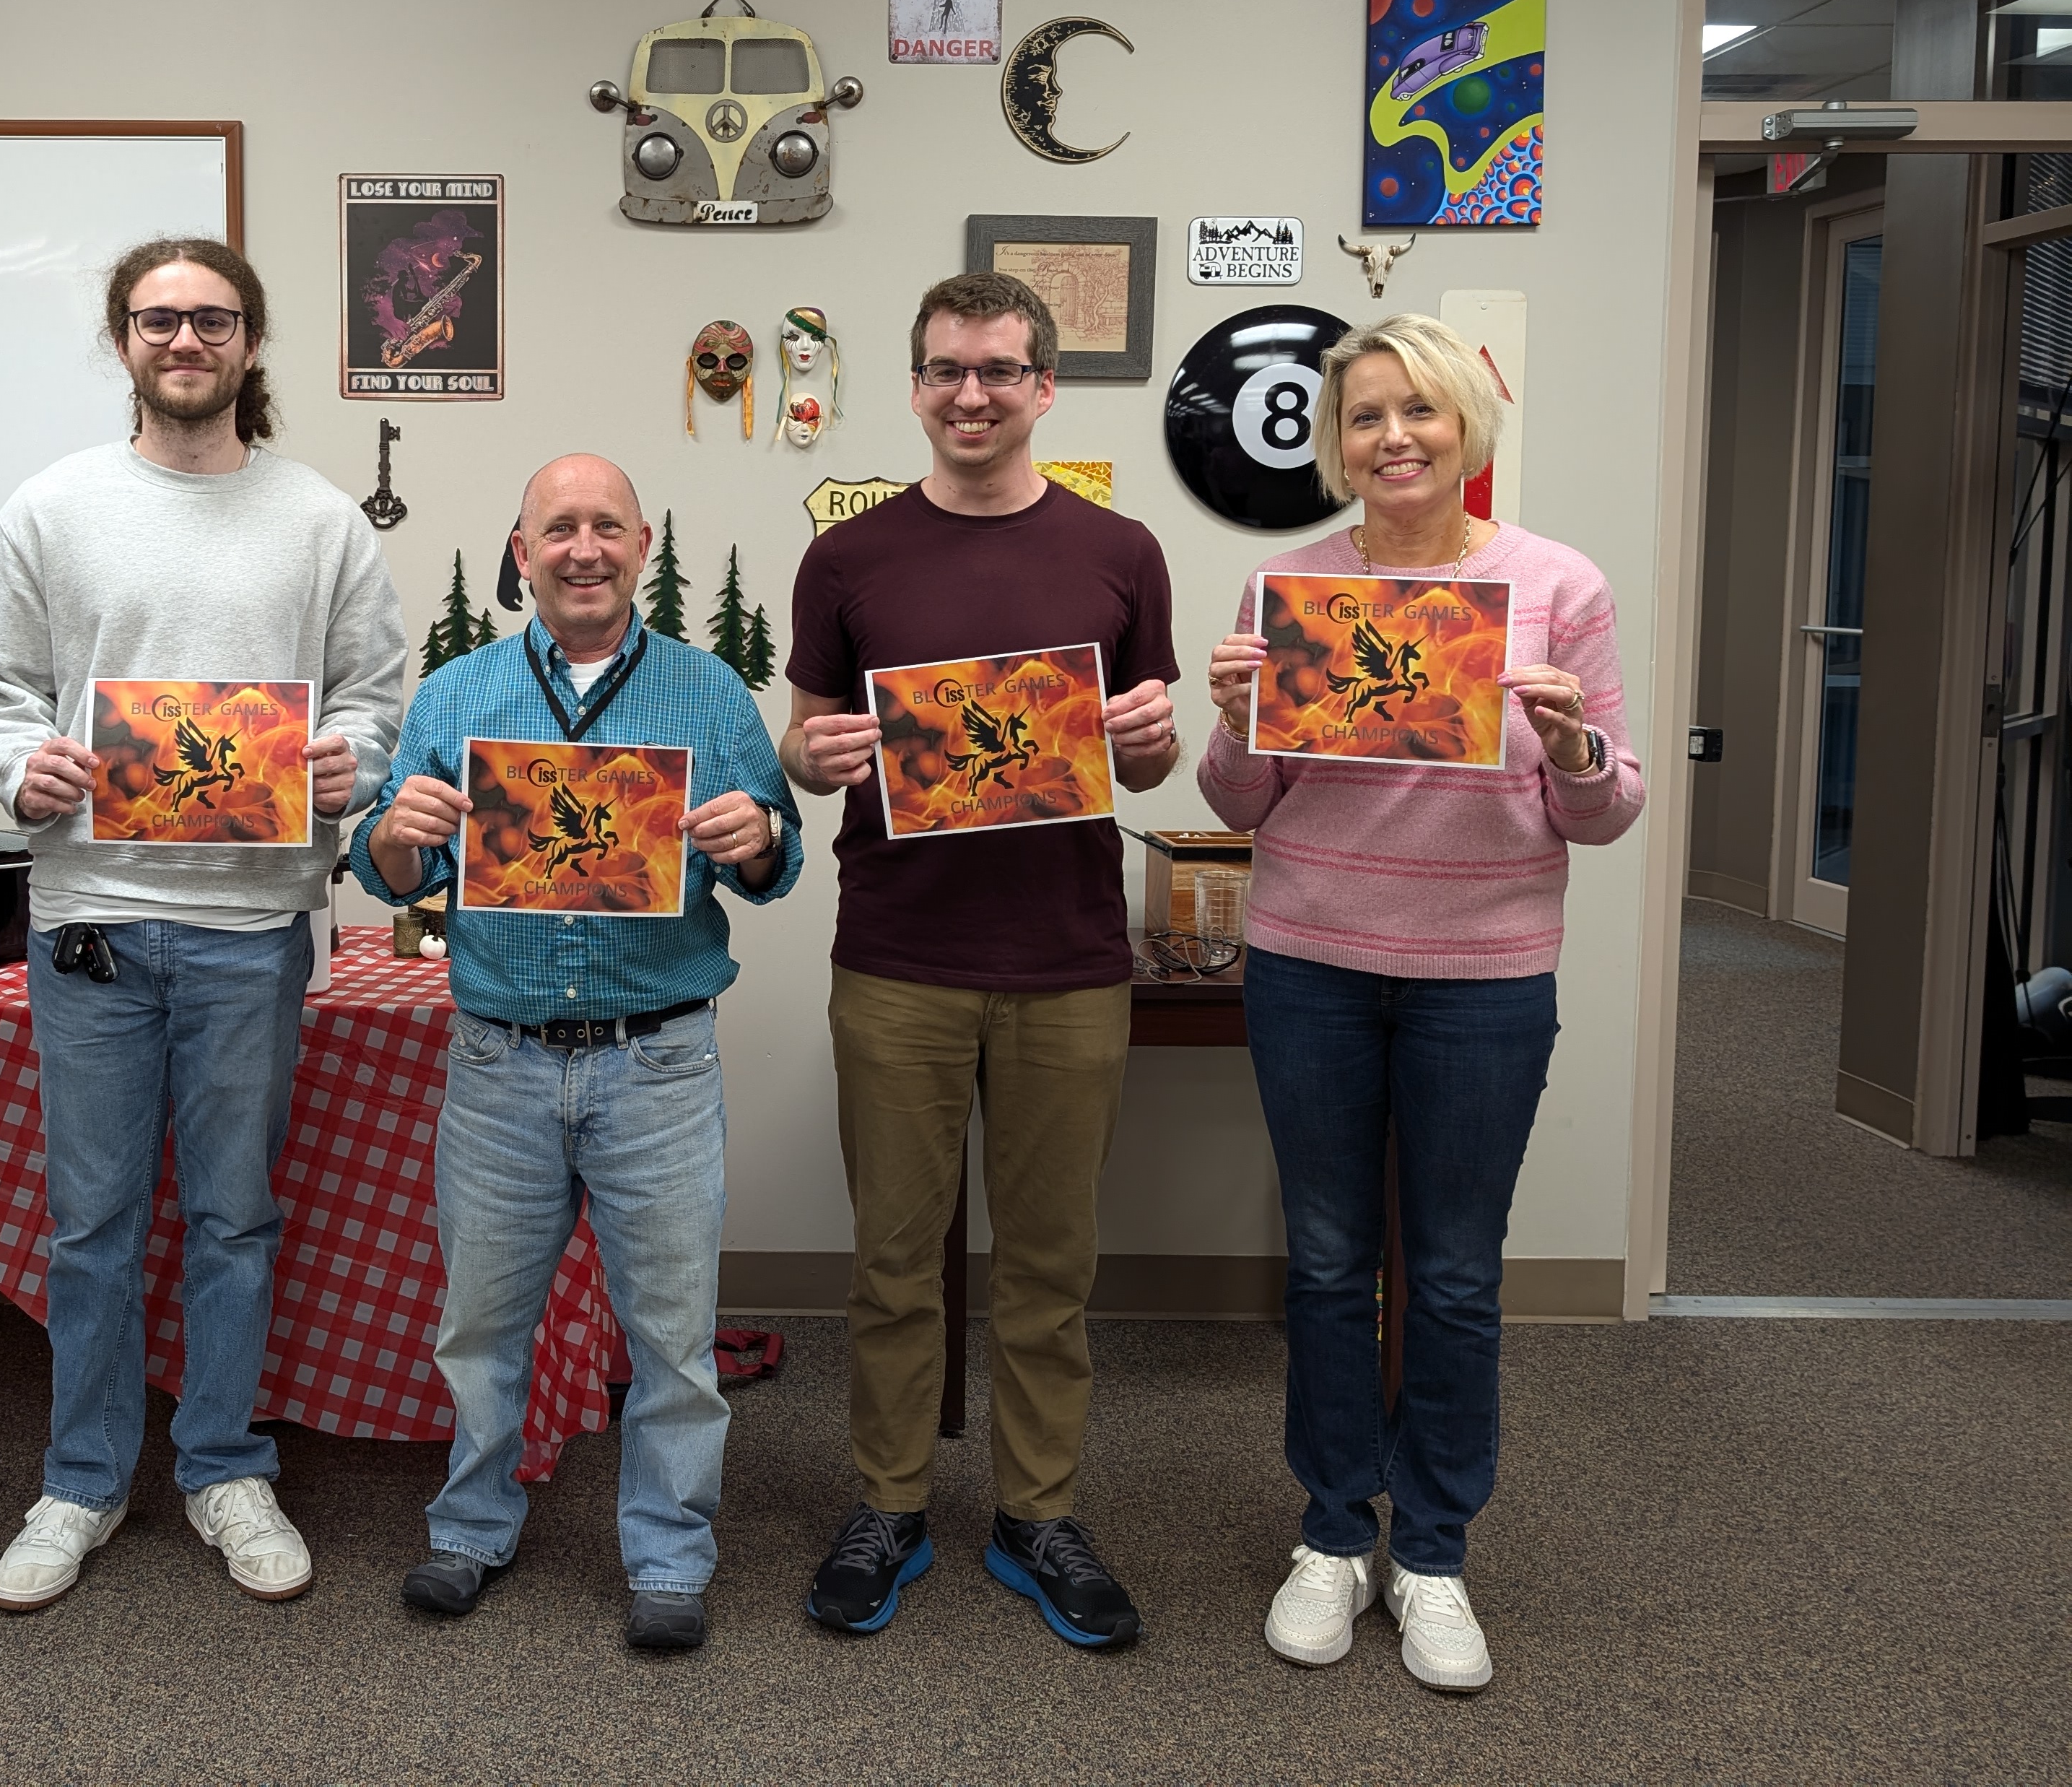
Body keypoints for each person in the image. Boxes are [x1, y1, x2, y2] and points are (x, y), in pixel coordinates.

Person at [1197, 312, 1644, 1694]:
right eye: (1367, 416)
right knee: (1329, 1264)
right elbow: (1237, 804)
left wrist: (1574, 747)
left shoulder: (1557, 585)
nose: (1394, 437)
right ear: (1336, 445)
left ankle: (1435, 1552)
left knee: (1452, 1274)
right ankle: (1335, 1534)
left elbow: (1609, 809)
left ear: (1467, 427)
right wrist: (1237, 719)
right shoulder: (1290, 585)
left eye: (1419, 411)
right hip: (1312, 963)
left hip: (1486, 978)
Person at [0, 237, 406, 1613]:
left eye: (212, 319)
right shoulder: (53, 508)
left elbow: (374, 698)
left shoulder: (321, 521)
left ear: (250, 342)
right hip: (90, 917)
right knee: (91, 1225)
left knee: (234, 1219)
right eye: (159, 321)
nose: (185, 341)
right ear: (123, 342)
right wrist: (16, 767)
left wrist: (347, 759)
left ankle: (224, 1467)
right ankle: (81, 1482)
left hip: (252, 925)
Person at [780, 272, 1184, 1650]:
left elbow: (1148, 752)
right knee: (895, 1262)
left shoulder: (1121, 551)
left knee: (1049, 1268)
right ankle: (890, 1504)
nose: (972, 394)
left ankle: (1036, 1514)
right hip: (899, 954)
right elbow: (804, 739)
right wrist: (815, 753)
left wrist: (1151, 743)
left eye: (1001, 370)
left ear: (1044, 388)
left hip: (1069, 960)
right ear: (913, 387)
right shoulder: (849, 560)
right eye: (948, 369)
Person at [352, 453, 801, 1653]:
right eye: (559, 529)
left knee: (673, 1336)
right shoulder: (458, 694)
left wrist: (758, 836)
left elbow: (776, 865)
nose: (584, 549)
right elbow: (390, 871)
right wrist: (395, 836)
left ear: (642, 547)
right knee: (480, 1327)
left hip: (657, 1065)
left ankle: (669, 1554)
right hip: (498, 1065)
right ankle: (470, 1528)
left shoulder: (710, 693)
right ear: (523, 551)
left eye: (608, 526)